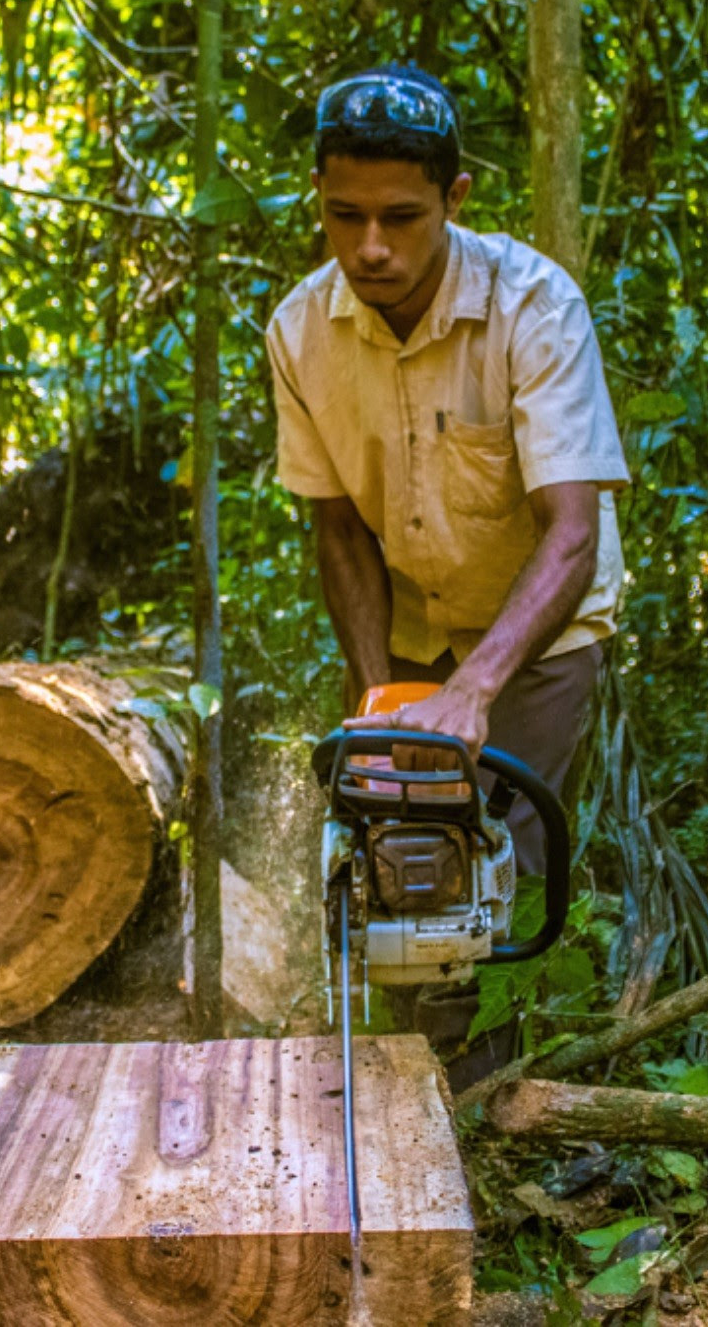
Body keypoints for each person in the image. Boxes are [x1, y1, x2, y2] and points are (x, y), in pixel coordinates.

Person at [267, 64, 630, 886]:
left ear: (455, 198)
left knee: (495, 875)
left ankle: (499, 1015)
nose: (370, 246)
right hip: (411, 632)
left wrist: (473, 691)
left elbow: (572, 534)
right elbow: (340, 531)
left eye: (401, 218)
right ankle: (405, 1017)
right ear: (318, 191)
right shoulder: (297, 332)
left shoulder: (534, 307)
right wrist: (377, 702)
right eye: (344, 215)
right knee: (395, 864)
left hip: (541, 634)